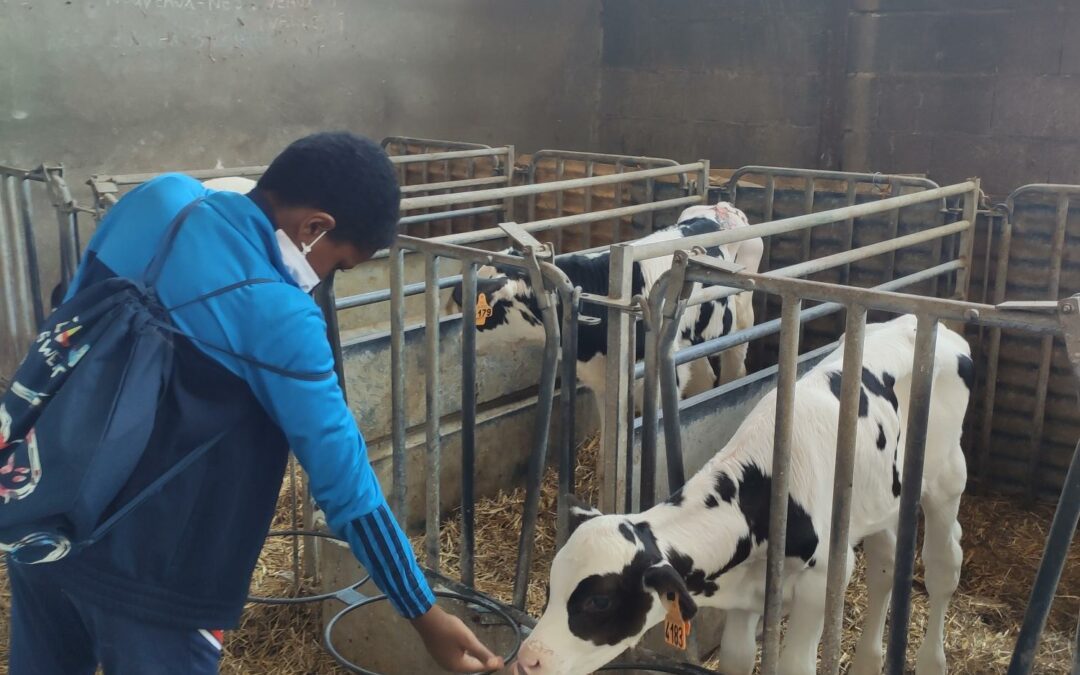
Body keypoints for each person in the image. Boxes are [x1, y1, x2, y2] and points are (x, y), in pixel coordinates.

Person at [6, 132, 503, 674]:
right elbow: (348, 487)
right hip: (158, 585)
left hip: (46, 524)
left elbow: (68, 320)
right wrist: (423, 613)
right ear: (316, 228)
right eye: (338, 266)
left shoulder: (154, 199)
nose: (325, 281)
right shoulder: (280, 316)